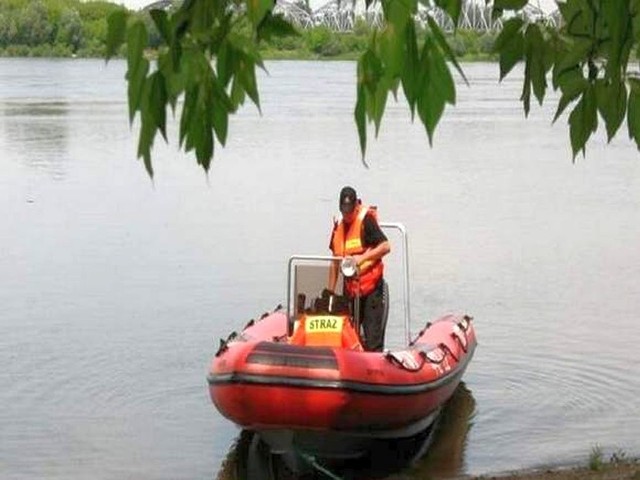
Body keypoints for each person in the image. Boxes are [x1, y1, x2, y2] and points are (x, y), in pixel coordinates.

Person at [328, 186, 391, 352]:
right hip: (350, 290)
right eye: (344, 210)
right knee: (349, 338)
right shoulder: (338, 228)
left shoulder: (366, 222)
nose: (347, 215)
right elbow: (334, 262)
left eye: (350, 210)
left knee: (372, 342)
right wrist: (329, 292)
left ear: (356, 206)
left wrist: (361, 258)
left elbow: (385, 246)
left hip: (371, 290)